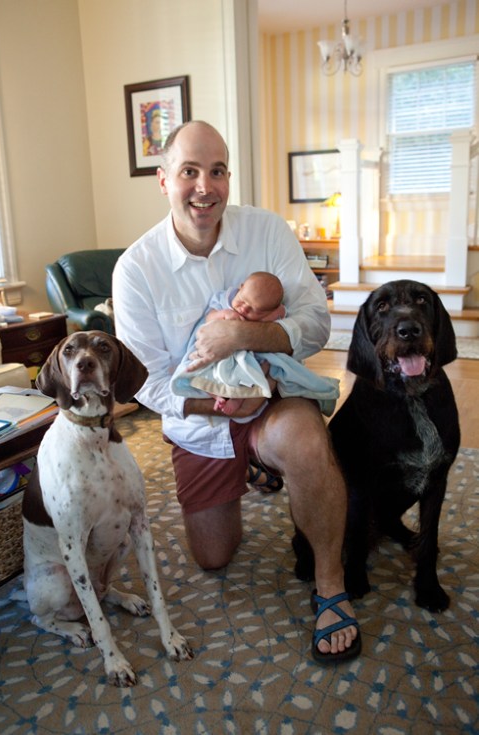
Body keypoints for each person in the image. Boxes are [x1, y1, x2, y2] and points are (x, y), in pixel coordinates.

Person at [112, 120, 361, 663]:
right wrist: (221, 403)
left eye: (218, 171)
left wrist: (245, 337)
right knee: (213, 557)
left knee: (305, 443)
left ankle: (331, 585)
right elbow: (146, 381)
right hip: (201, 423)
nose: (205, 187)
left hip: (273, 400)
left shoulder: (267, 231)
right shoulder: (135, 269)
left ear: (229, 177)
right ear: (163, 180)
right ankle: (253, 467)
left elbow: (317, 322)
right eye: (189, 172)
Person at [180, 271, 287, 416]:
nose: (244, 309)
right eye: (242, 301)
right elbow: (208, 317)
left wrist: (270, 314)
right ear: (240, 288)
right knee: (200, 370)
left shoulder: (268, 313)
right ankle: (216, 395)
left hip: (244, 356)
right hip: (215, 352)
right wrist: (223, 314)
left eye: (254, 310)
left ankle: (238, 398)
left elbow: (280, 316)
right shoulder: (224, 299)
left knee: (259, 371)